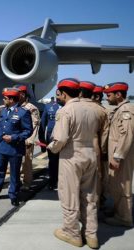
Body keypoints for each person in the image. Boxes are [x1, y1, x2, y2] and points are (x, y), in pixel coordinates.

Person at [47, 78, 100, 249]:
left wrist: (52, 147)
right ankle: (91, 235)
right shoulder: (92, 109)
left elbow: (60, 139)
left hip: (72, 156)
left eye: (59, 94)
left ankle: (72, 233)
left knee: (69, 195)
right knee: (89, 196)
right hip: (90, 154)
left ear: (63, 93)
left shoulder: (65, 111)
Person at [0, 87, 32, 206]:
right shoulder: (4, 111)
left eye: (5, 98)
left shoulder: (23, 112)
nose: (3, 100)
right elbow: (0, 129)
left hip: (15, 148)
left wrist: (13, 138)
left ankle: (13, 195)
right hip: (2, 148)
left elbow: (28, 131)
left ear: (12, 100)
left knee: (14, 173)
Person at [103, 82, 134, 228]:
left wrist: (117, 156)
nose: (107, 98)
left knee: (123, 185)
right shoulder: (119, 109)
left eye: (109, 95)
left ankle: (125, 217)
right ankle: (118, 210)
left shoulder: (126, 110)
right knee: (116, 184)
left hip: (122, 156)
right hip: (117, 155)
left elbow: (127, 135)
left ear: (118, 95)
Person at [79, 81, 109, 209]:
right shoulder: (102, 111)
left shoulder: (76, 108)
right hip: (96, 149)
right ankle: (96, 203)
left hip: (78, 150)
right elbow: (105, 134)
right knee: (97, 178)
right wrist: (104, 152)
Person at [13, 84, 40, 191]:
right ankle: (16, 181)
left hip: (26, 140)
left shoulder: (31, 108)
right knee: (15, 162)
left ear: (23, 94)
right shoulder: (15, 106)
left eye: (17, 94)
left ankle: (27, 183)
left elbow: (35, 125)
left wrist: (29, 139)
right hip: (16, 139)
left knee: (26, 162)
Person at [39, 96, 61, 190]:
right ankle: (52, 181)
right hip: (52, 140)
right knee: (53, 161)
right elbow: (42, 126)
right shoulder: (49, 106)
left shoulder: (70, 107)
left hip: (67, 140)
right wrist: (42, 143)